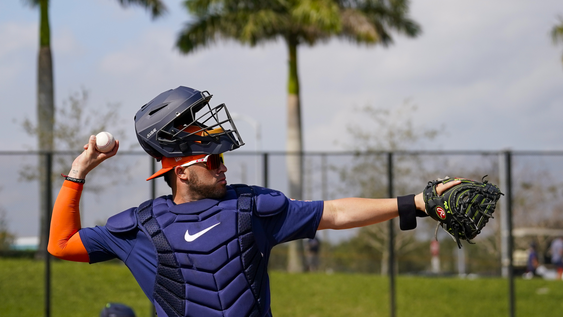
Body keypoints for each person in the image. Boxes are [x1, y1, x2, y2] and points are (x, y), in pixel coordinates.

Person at [48, 86, 461, 317]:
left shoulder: (251, 209)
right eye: (213, 160)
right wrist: (78, 172)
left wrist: (415, 203)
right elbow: (60, 245)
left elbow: (333, 213)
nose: (223, 167)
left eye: (223, 157)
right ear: (181, 172)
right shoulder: (140, 227)